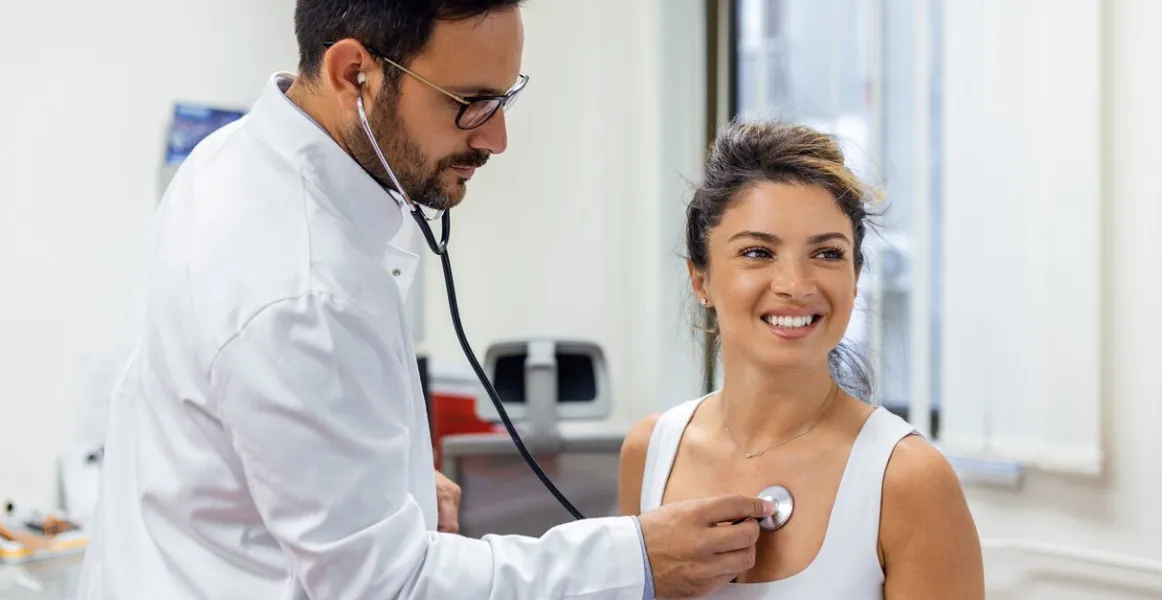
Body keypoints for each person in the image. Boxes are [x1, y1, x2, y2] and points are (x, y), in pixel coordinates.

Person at [76, 2, 776, 599]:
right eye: (469, 102)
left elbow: (236, 427)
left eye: (505, 98)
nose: (497, 138)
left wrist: (380, 476)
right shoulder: (303, 285)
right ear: (355, 74)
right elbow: (391, 585)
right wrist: (638, 561)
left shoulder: (232, 159)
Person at [618, 120, 986, 599]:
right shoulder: (650, 452)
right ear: (700, 279)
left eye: (828, 254)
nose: (796, 284)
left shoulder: (907, 478)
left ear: (855, 278)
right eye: (757, 252)